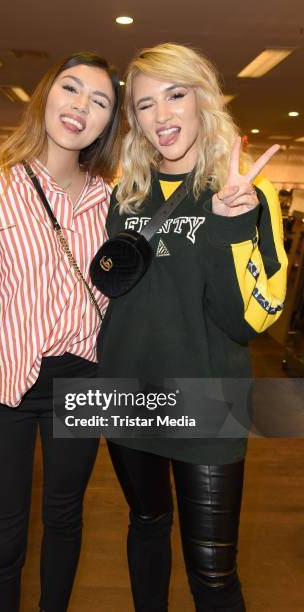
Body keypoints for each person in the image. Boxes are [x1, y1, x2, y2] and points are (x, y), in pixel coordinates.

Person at [96, 43, 287, 612]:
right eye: (145, 104)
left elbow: (248, 320)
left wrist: (234, 227)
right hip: (127, 395)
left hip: (208, 402)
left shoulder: (246, 193)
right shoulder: (124, 196)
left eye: (176, 95)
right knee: (146, 527)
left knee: (213, 575)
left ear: (203, 99)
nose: (162, 116)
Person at [0, 51, 121, 612]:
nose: (81, 106)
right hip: (2, 382)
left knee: (66, 520)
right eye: (71, 88)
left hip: (81, 378)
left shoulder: (110, 201)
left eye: (100, 101)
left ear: (108, 122)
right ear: (45, 96)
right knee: (3, 540)